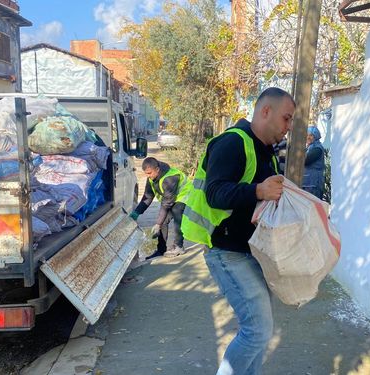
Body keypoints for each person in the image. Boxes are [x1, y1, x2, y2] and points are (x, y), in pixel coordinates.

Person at [181, 87, 295, 374]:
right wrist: (258, 189)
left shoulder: (266, 152)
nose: (288, 127)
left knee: (259, 331)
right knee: (257, 330)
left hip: (251, 251)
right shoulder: (233, 142)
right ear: (265, 111)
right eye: (286, 118)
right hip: (227, 252)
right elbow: (215, 193)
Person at [130, 157, 191, 258]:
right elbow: (148, 197)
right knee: (163, 221)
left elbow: (166, 203)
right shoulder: (151, 178)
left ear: (157, 169)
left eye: (149, 173)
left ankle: (179, 247)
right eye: (146, 173)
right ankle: (161, 250)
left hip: (185, 197)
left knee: (176, 213)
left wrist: (158, 224)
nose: (147, 176)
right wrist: (137, 212)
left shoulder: (170, 178)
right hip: (172, 198)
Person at [302, 126, 325, 199]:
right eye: (307, 135)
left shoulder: (317, 148)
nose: (308, 137)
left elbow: (306, 160)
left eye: (311, 135)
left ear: (316, 136)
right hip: (307, 184)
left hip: (313, 185)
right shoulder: (309, 147)